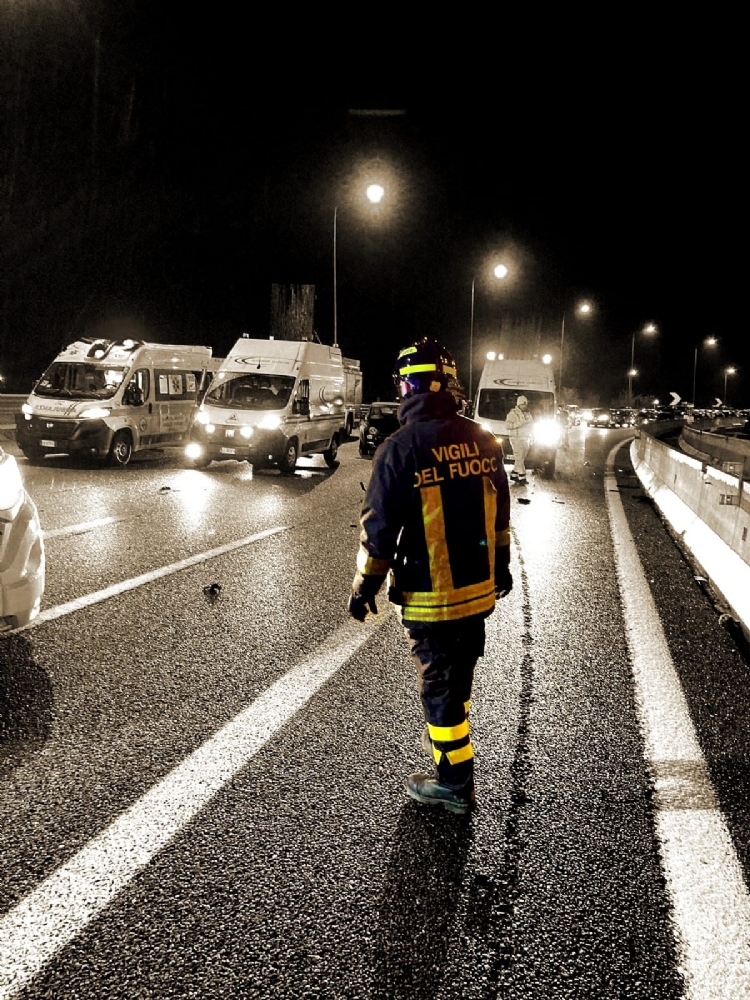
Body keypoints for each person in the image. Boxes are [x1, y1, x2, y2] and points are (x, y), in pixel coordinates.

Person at [347, 338, 512, 815]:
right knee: (457, 683)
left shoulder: (401, 447)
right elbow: (500, 519)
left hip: (431, 597)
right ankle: (453, 757)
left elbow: (378, 530)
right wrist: (499, 570)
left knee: (439, 690)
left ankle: (454, 784)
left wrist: (365, 588)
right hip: (479, 593)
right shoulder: (483, 438)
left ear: (409, 386)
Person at [505, 394, 533, 483]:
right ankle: (522, 477)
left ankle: (514, 474)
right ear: (519, 404)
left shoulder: (528, 414)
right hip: (516, 438)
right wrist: (518, 424)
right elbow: (507, 425)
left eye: (525, 404)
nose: (525, 406)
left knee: (521, 457)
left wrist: (532, 436)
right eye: (523, 404)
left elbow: (531, 425)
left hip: (526, 438)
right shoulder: (512, 414)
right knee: (519, 457)